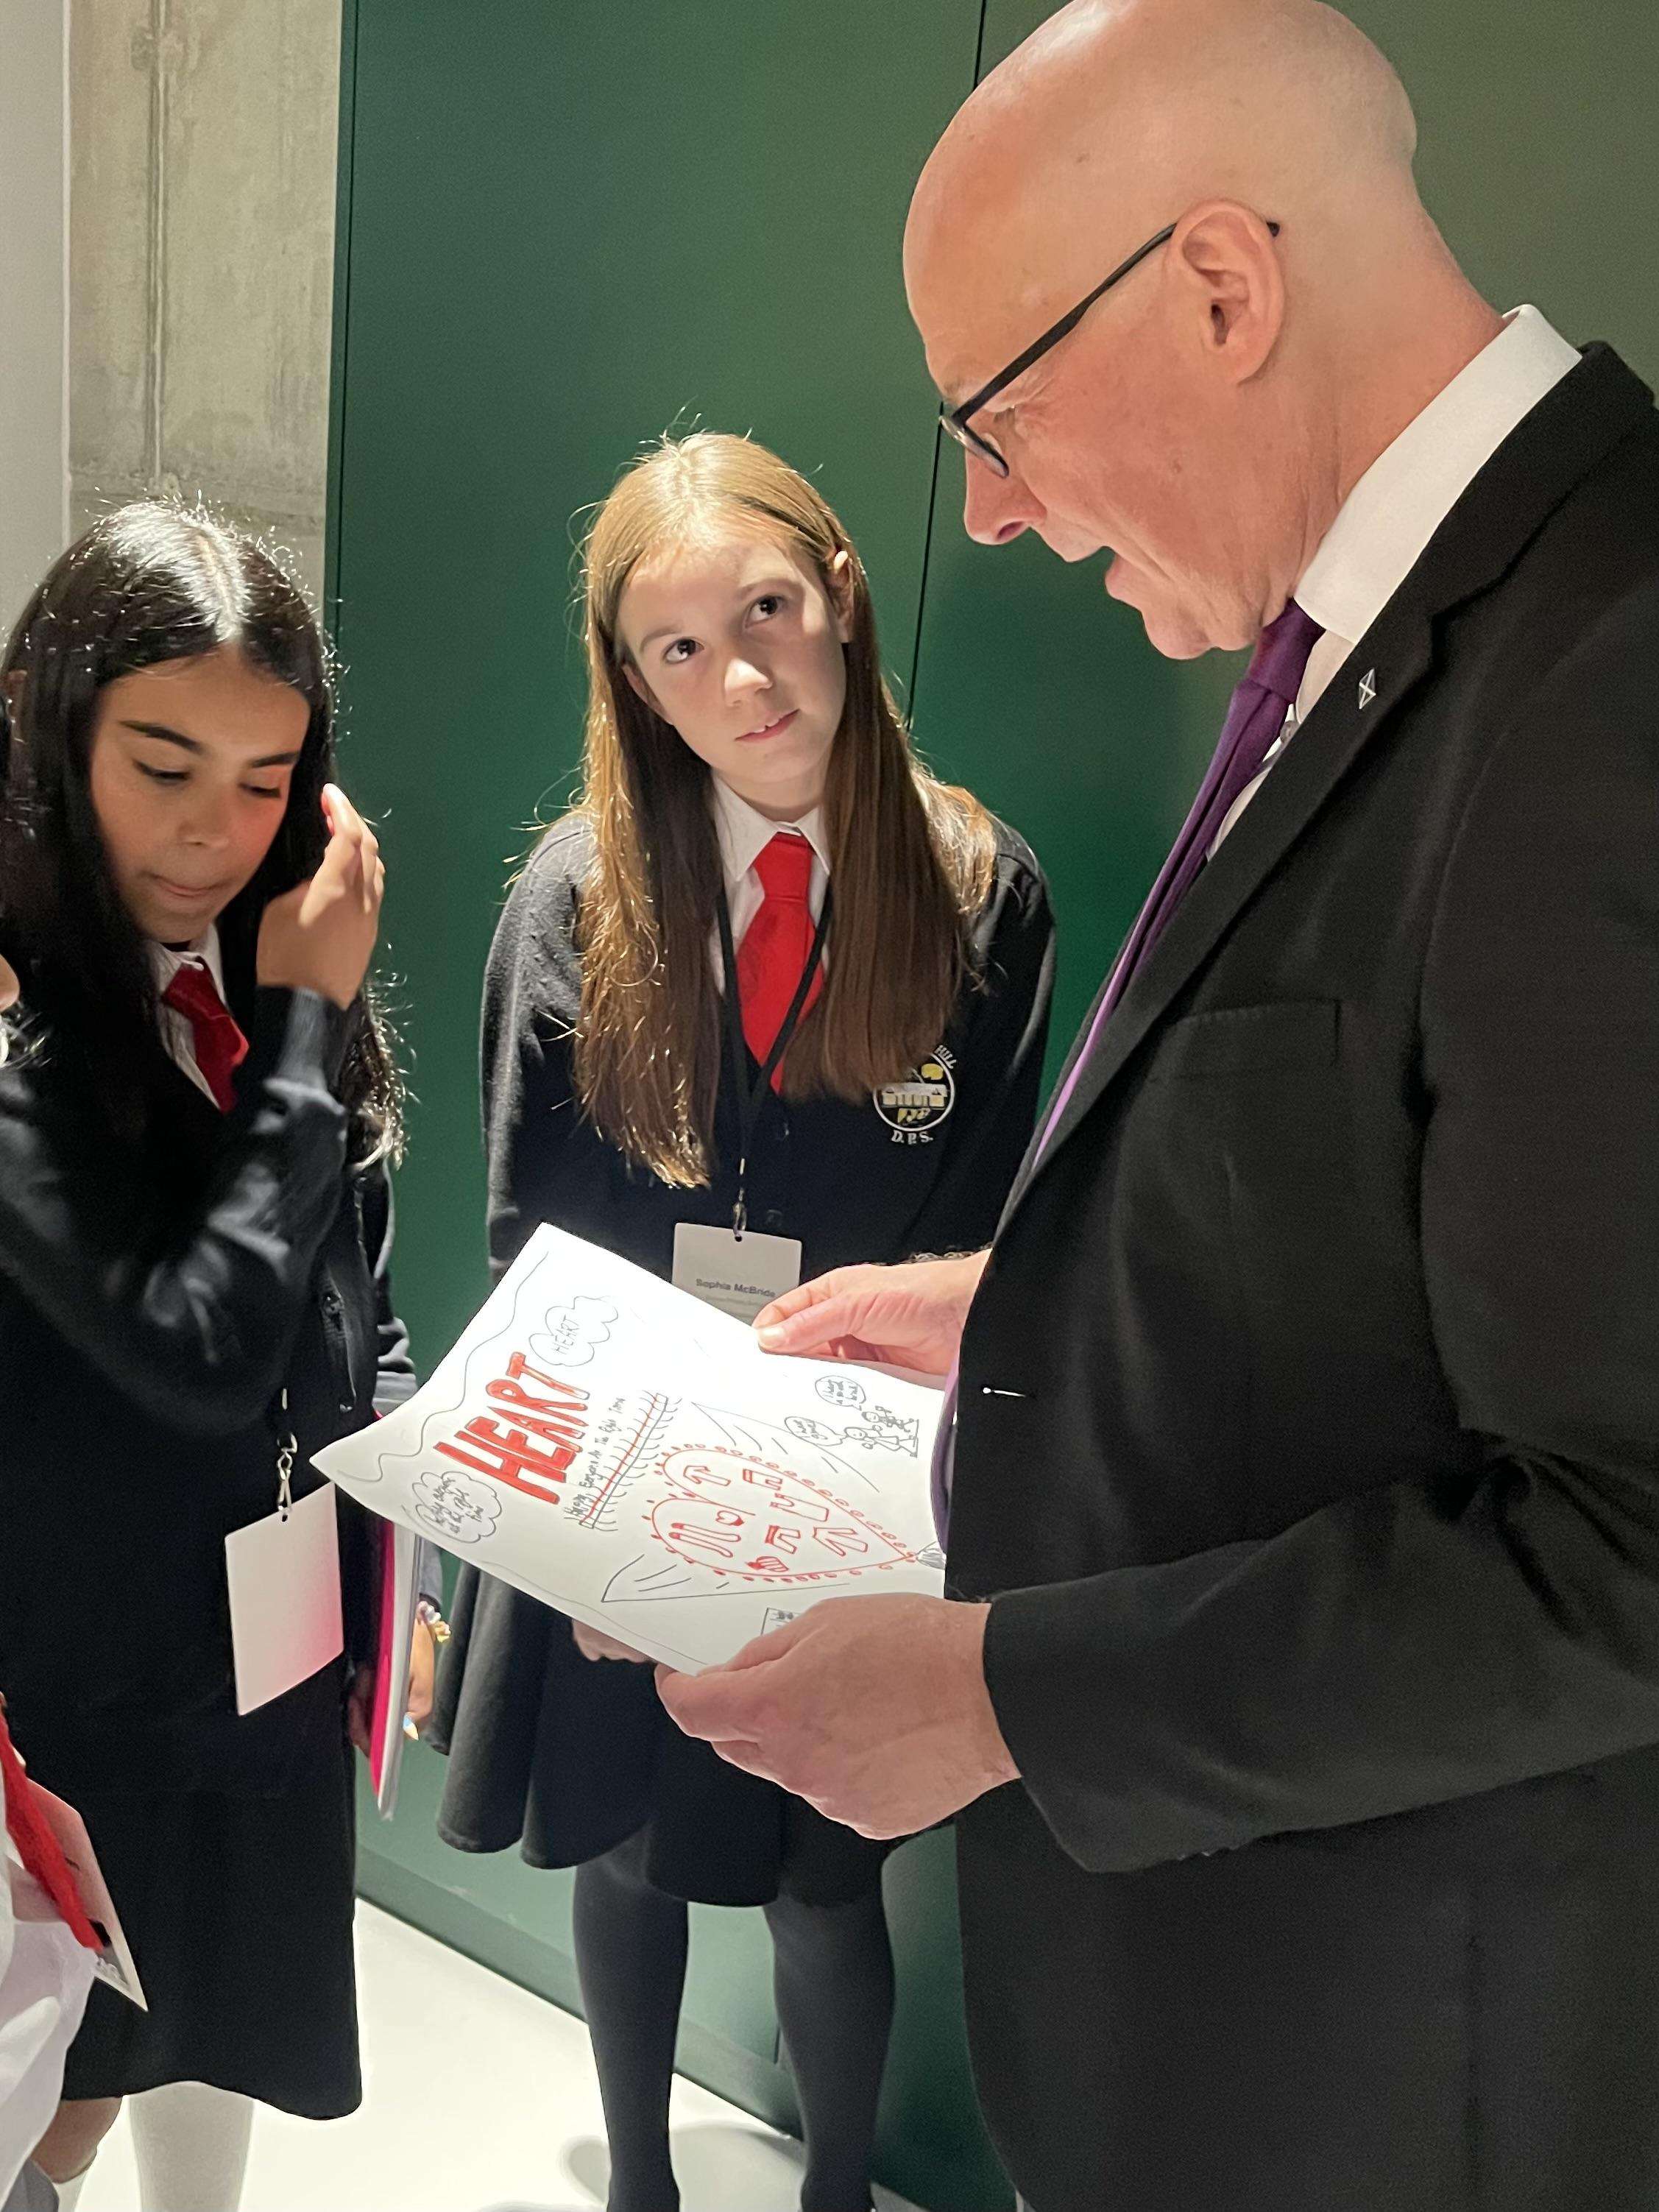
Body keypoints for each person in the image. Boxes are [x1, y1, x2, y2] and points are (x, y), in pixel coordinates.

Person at [657, 6, 1659, 2211]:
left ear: (1218, 285)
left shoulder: (1602, 675)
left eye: (992, 422)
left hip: (1379, 2091)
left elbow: (1617, 1546)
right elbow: (1398, 1222)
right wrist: (1025, 1299)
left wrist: (1009, 1693)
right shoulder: (1375, 635)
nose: (991, 519)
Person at [430, 433, 1054, 2212]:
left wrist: (832, 1491)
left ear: (840, 593)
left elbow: (973, 1229)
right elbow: (528, 1230)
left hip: (838, 1478)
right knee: (615, 1850)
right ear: (628, 679)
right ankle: (638, 2186)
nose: (739, 680)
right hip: (621, 1467)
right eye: (675, 647)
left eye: (766, 610)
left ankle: (836, 2191)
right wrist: (613, 1531)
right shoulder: (573, 891)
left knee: (825, 1868)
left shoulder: (976, 887)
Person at [0, 503, 434, 2211]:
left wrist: (399, 1538)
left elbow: (346, 1289)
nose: (209, 832)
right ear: (54, 741)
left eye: (262, 781)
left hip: (263, 1642)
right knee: (66, 2078)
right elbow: (189, 1346)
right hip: (73, 1669)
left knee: (225, 2022)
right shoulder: (24, 1024)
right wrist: (306, 1032)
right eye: (160, 765)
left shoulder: (267, 970)